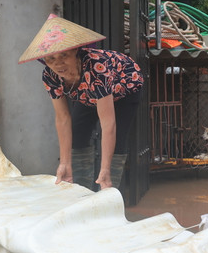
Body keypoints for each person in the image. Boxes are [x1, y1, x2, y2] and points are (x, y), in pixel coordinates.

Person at [19, 14, 144, 191]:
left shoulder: (96, 67)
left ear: (75, 51)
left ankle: (107, 187)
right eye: (51, 58)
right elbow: (62, 118)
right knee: (78, 134)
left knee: (117, 140)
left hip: (125, 86)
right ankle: (81, 189)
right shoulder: (49, 75)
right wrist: (64, 163)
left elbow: (108, 123)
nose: (58, 64)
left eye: (64, 55)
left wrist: (105, 168)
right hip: (88, 93)